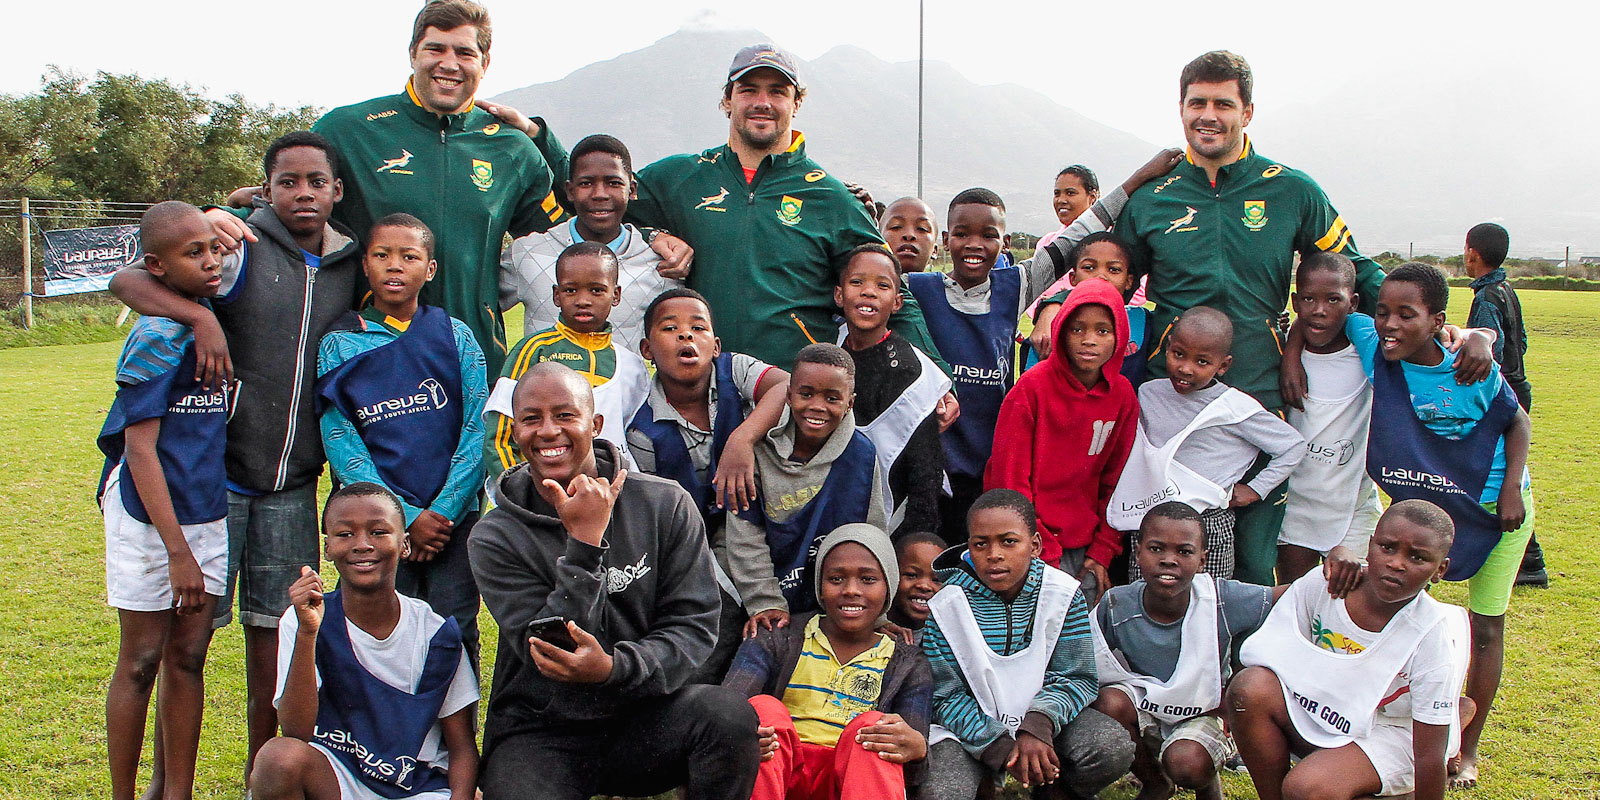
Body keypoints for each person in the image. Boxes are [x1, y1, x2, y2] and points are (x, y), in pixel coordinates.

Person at [205, 1, 685, 377]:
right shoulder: (350, 128)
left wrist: (651, 232)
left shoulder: (511, 148)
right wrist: (218, 213)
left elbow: (582, 213)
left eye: (465, 52)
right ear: (413, 52)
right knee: (372, 499)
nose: (448, 63)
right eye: (436, 49)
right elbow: (290, 199)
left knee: (472, 494)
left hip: (474, 353)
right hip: (371, 345)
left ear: (485, 61)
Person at [108, 132, 364, 779]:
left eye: (316, 181)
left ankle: (264, 782)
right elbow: (129, 277)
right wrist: (200, 319)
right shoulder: (240, 246)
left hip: (293, 487)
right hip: (216, 483)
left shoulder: (350, 265)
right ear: (267, 189)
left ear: (337, 190)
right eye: (287, 182)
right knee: (183, 650)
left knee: (270, 651)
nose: (303, 193)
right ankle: (172, 788)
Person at [1112, 50, 1388, 585]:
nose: (1207, 115)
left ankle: (1247, 663)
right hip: (1173, 389)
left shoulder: (1291, 189)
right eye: (1197, 103)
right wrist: (1054, 309)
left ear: (1248, 112)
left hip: (1262, 380)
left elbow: (1354, 267)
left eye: (1223, 103)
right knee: (1162, 542)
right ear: (1181, 108)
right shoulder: (1151, 200)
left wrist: (1436, 328)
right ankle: (1155, 659)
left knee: (1255, 552)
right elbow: (1107, 277)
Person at [468, 361, 760, 799]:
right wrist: (584, 544)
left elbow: (693, 627)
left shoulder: (664, 504)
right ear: (515, 431)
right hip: (543, 729)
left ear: (596, 423)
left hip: (645, 718)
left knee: (728, 717)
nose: (548, 431)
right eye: (531, 419)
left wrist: (614, 669)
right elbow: (551, 650)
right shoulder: (495, 536)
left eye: (565, 415)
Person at [627, 42, 952, 395]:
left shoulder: (832, 198)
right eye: (748, 90)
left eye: (777, 92)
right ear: (727, 100)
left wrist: (938, 380)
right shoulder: (680, 178)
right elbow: (597, 207)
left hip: (795, 397)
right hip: (699, 393)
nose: (762, 102)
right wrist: (652, 234)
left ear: (797, 103)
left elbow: (893, 292)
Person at [1336, 263, 1532, 789]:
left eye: (1406, 314)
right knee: (1402, 618)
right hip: (1427, 523)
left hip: (1495, 511)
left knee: (1485, 626)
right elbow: (1331, 313)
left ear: (1437, 320)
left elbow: (1516, 420)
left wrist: (1478, 339)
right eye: (1383, 311)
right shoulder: (1375, 343)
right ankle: (1401, 727)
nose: (1389, 324)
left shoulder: (1469, 370)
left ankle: (1467, 749)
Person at [313, 213, 488, 665]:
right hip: (378, 523)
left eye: (409, 257)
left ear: (429, 270)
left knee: (455, 627)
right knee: (375, 631)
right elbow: (342, 440)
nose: (395, 266)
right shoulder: (340, 343)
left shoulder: (456, 335)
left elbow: (477, 428)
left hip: (454, 521)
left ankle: (456, 735)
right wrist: (404, 516)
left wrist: (442, 512)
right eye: (382, 255)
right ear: (365, 266)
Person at [97, 201, 229, 800]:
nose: (211, 261)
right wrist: (177, 551)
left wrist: (246, 197)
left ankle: (178, 791)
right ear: (156, 265)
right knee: (142, 657)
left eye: (213, 248)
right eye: (193, 252)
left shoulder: (210, 316)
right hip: (150, 519)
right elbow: (142, 452)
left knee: (190, 657)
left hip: (208, 511)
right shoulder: (155, 336)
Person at [1229, 500, 1474, 800]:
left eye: (1417, 557)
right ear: (1370, 544)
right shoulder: (1325, 586)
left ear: (1440, 569)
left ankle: (1390, 790)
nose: (1397, 563)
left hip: (1395, 732)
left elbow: (1428, 755)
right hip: (1327, 710)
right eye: (1387, 548)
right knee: (1249, 687)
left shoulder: (1431, 634)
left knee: (1306, 788)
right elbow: (1271, 657)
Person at [249, 483, 480, 800]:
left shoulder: (434, 633)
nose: (362, 545)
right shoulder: (304, 619)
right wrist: (307, 633)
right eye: (345, 534)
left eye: (379, 532)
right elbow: (295, 731)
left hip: (414, 786)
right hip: (338, 776)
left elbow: (462, 744)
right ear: (327, 547)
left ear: (404, 544)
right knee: (278, 758)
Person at [919, 489, 1134, 800]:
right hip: (970, 730)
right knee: (944, 792)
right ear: (969, 548)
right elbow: (944, 696)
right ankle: (989, 787)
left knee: (1109, 747)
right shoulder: (946, 605)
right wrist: (1000, 746)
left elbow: (1077, 677)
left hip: (1046, 722)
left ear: (1034, 545)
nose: (994, 554)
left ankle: (1056, 788)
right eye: (981, 544)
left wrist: (1037, 726)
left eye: (1009, 541)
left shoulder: (1062, 593)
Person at [626, 287, 791, 678]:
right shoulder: (644, 432)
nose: (686, 336)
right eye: (671, 329)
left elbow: (786, 386)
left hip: (767, 514)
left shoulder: (734, 371)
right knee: (717, 621)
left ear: (715, 345)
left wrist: (742, 438)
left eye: (697, 328)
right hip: (699, 541)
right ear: (648, 350)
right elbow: (659, 517)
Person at [723, 523, 933, 800]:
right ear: (820, 587)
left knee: (875, 726)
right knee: (761, 710)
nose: (851, 590)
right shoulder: (778, 638)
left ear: (889, 589)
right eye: (836, 579)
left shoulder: (908, 663)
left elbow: (912, 768)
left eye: (868, 579)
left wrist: (917, 749)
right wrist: (741, 735)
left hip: (852, 783)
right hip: (781, 777)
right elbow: (723, 712)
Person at [1090, 502, 1281, 800]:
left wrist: (1340, 563)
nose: (1169, 560)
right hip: (1148, 706)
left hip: (1204, 711)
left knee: (1187, 764)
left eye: (1184, 552)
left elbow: (1294, 596)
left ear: (1203, 559)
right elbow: (1085, 658)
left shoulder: (1220, 599)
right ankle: (1155, 781)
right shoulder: (1117, 605)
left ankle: (1206, 782)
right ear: (1137, 552)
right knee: (1109, 702)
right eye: (1156, 549)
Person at [1109, 307, 1304, 582]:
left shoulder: (1234, 407)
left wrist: (1256, 489)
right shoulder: (1149, 393)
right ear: (1167, 349)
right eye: (1178, 355)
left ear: (1222, 366)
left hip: (1208, 522)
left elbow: (1293, 446)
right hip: (1151, 517)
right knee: (1143, 598)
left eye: (1202, 362)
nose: (1186, 368)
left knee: (1207, 603)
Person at [724, 343, 890, 641]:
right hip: (760, 597)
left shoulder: (861, 455)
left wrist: (877, 617)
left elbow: (872, 535)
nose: (817, 406)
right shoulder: (757, 452)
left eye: (832, 398)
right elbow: (744, 536)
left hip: (836, 604)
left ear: (850, 403)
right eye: (806, 394)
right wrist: (765, 603)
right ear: (788, 396)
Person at [985, 279, 1136, 600]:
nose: (1089, 340)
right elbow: (1010, 480)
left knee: (1080, 638)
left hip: (1086, 548)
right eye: (1077, 329)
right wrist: (1039, 548)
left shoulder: (1123, 397)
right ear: (1061, 331)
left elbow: (1119, 480)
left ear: (1120, 337)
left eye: (1103, 331)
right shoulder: (1032, 389)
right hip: (1027, 543)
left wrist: (1104, 549)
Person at [905, 189, 1042, 542]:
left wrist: (1053, 303)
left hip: (989, 468)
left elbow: (1076, 245)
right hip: (931, 470)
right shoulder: (916, 290)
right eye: (963, 234)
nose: (974, 244)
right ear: (947, 240)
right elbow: (859, 270)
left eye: (988, 235)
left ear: (1005, 241)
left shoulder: (1016, 287)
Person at [500, 134, 685, 352]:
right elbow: (479, 309)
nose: (600, 194)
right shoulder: (527, 253)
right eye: (586, 183)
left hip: (624, 386)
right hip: (544, 385)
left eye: (613, 183)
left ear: (632, 190)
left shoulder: (660, 265)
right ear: (569, 190)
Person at [483, 241, 650, 479]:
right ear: (556, 295)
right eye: (571, 290)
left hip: (612, 491)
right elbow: (498, 435)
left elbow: (639, 439)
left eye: (596, 290)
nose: (583, 300)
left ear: (616, 295)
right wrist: (520, 491)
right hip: (544, 492)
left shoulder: (631, 365)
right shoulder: (534, 350)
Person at [1276, 253, 1382, 582]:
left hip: (1354, 506)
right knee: (1295, 599)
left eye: (1333, 299)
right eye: (1308, 299)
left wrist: (1478, 336)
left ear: (1353, 303)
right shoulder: (1277, 351)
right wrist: (1291, 347)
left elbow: (1432, 338)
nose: (1319, 310)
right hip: (1295, 506)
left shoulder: (1371, 356)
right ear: (1295, 301)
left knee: (1354, 603)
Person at [836, 245, 949, 536]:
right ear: (839, 294)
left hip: (896, 523)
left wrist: (915, 542)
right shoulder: (828, 357)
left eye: (882, 285)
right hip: (835, 514)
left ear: (897, 302)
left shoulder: (914, 373)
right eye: (857, 282)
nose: (868, 292)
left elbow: (926, 475)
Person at [1463, 222, 1546, 588]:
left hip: (1502, 397)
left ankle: (1526, 560)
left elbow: (1488, 353)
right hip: (1519, 386)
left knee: (1498, 476)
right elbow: (1521, 341)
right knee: (1511, 475)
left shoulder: (1485, 299)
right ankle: (1530, 561)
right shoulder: (1507, 290)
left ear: (1472, 254)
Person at [1025, 232, 1149, 384]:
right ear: (1073, 278)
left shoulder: (1143, 320)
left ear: (1129, 281)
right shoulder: (1053, 324)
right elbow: (1029, 386)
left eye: (1114, 269)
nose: (1101, 276)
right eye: (1089, 267)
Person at [1031, 165, 1101, 273]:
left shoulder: (1109, 241)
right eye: (1057, 194)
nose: (1061, 200)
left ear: (1092, 197)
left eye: (1070, 193)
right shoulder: (1047, 243)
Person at [887, 531, 946, 642]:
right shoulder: (871, 632)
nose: (924, 586)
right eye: (912, 575)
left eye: (936, 580)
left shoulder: (947, 639)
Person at [880, 196, 940, 273]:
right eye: (896, 226)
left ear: (934, 250)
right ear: (878, 242)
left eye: (922, 228)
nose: (909, 235)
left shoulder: (947, 284)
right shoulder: (863, 284)